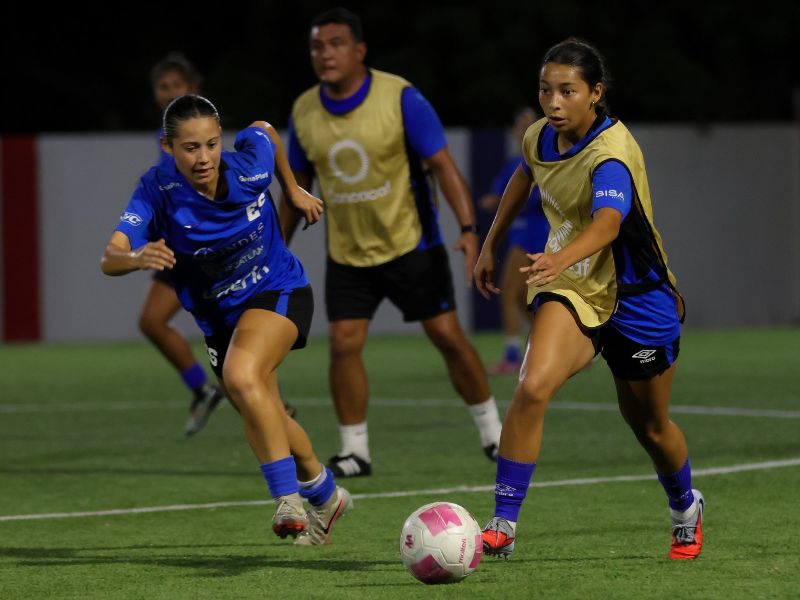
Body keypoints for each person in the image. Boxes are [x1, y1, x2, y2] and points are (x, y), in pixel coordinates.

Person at [475, 38, 704, 561]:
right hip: (574, 283)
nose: (553, 103)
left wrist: (558, 257)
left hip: (637, 297)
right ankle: (503, 525)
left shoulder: (611, 155)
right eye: (545, 90)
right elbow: (523, 174)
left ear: (595, 94)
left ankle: (685, 508)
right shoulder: (541, 136)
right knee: (532, 386)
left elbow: (608, 224)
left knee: (649, 426)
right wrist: (491, 244)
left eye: (567, 91)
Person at [101, 94, 350, 545]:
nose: (203, 158)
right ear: (167, 147)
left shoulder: (250, 165)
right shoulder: (156, 191)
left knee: (240, 375)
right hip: (219, 320)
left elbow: (265, 129)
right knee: (259, 406)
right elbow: (110, 257)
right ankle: (326, 492)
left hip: (279, 289)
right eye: (190, 148)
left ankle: (287, 500)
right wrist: (138, 255)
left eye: (212, 144)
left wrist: (292, 189)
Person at [280, 7, 502, 477]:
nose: (325, 54)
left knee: (446, 335)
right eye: (317, 46)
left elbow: (443, 165)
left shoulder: (400, 97)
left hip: (411, 245)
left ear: (360, 51)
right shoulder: (304, 111)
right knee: (342, 344)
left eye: (336, 43)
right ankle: (355, 452)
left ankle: (494, 433)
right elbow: (297, 187)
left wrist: (467, 231)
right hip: (348, 254)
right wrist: (275, 251)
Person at [144, 53, 225, 435]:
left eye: (177, 85)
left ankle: (272, 406)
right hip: (179, 249)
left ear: (193, 88)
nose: (169, 93)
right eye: (163, 87)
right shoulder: (168, 143)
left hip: (207, 250)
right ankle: (203, 389)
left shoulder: (202, 138)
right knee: (152, 322)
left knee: (233, 341)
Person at [478, 108, 549, 374]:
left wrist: (500, 202)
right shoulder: (514, 163)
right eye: (520, 124)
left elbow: (536, 198)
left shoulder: (544, 161)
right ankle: (558, 347)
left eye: (529, 124)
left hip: (535, 234)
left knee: (509, 293)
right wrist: (492, 201)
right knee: (521, 299)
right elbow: (499, 197)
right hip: (520, 233)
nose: (524, 129)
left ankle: (511, 356)